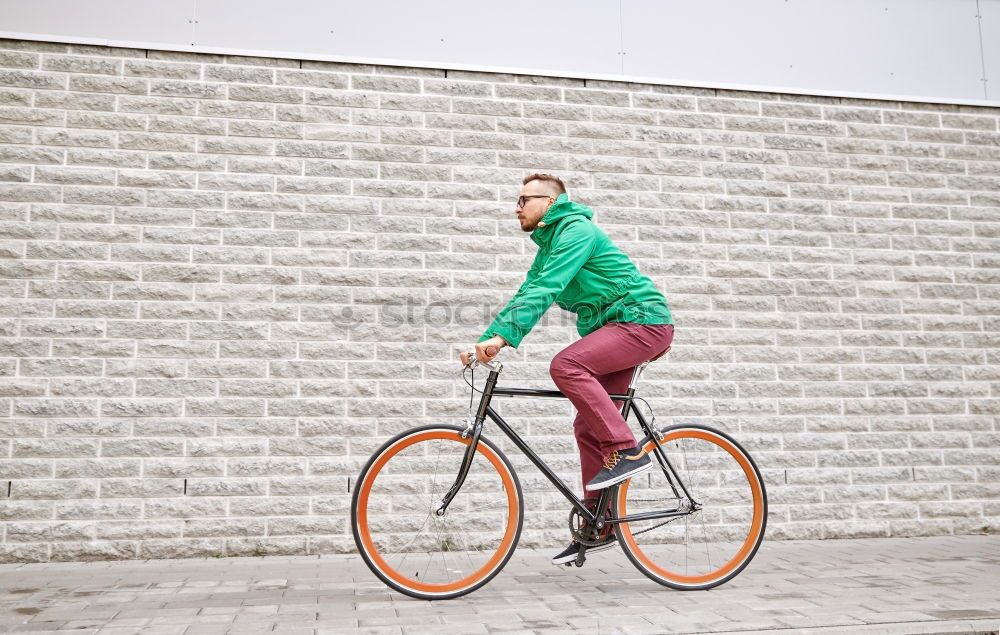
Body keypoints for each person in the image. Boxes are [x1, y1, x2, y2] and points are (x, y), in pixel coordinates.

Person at [459, 173, 674, 565]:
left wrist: (504, 339)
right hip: (618, 326)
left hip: (642, 320)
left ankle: (625, 449)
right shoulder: (550, 244)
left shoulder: (576, 230)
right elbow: (529, 290)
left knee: (567, 365)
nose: (517, 207)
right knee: (586, 423)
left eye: (524, 199)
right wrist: (487, 339)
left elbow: (549, 288)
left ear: (551, 202)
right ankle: (600, 522)